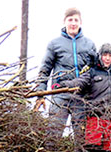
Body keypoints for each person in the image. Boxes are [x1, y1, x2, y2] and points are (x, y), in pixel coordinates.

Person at [33, 7, 98, 141]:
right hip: (59, 94)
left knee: (81, 138)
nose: (73, 23)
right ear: (64, 22)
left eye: (76, 20)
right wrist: (40, 94)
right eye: (70, 20)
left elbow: (94, 71)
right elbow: (45, 69)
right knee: (53, 133)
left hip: (81, 96)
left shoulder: (89, 44)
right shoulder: (55, 44)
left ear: (80, 22)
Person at [60, 43, 111, 152]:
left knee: (109, 150)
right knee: (92, 149)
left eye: (110, 56)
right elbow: (79, 81)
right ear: (100, 56)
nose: (107, 58)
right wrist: (64, 84)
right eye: (105, 55)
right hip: (95, 116)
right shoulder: (92, 71)